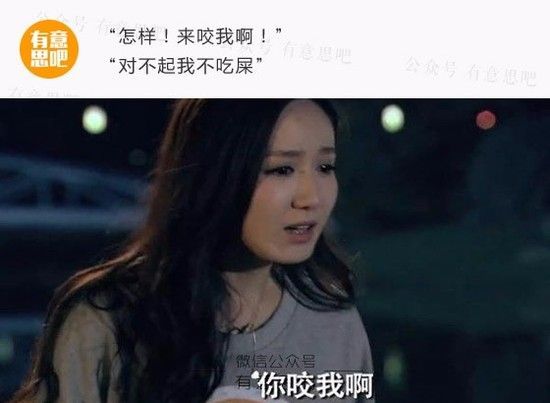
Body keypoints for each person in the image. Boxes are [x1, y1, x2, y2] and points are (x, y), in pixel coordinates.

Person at [10, 99, 375, 403]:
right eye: (281, 170)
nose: (311, 198)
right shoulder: (106, 321)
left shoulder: (333, 320)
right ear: (214, 173)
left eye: (325, 166)